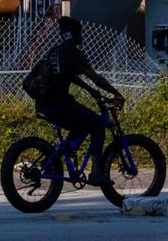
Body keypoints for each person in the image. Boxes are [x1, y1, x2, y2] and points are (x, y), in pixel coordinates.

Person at [34, 15, 126, 186]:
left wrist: (91, 91)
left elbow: (72, 76)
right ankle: (96, 172)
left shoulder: (55, 51)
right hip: (61, 105)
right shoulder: (73, 53)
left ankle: (53, 162)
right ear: (75, 34)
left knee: (80, 124)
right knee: (98, 125)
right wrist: (117, 93)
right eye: (79, 33)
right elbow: (96, 78)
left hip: (45, 104)